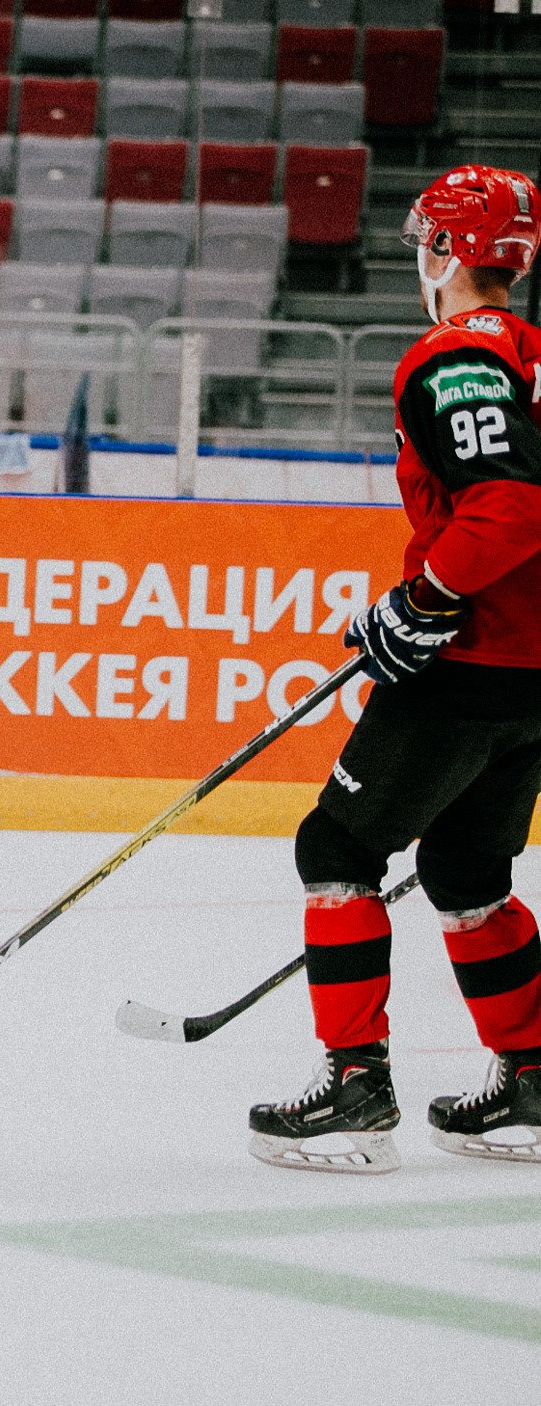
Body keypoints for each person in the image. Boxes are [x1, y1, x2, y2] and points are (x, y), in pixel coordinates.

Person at [247, 165, 541, 1174]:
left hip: (467, 663)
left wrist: (421, 602)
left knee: (334, 847)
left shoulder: (456, 358)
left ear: (447, 252)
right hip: (530, 675)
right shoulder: (535, 356)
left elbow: (506, 505)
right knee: (466, 874)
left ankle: (354, 1085)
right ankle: (531, 1085)